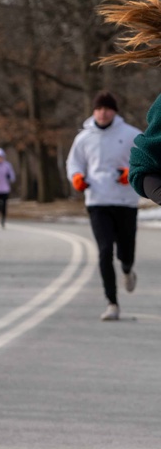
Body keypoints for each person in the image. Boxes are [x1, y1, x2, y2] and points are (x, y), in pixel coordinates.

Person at [66, 90, 141, 321]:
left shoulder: (131, 135)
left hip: (125, 201)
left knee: (125, 252)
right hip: (97, 200)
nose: (103, 113)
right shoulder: (84, 138)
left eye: (107, 109)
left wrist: (130, 173)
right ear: (94, 111)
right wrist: (77, 178)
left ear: (114, 111)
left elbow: (146, 161)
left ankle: (127, 269)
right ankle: (112, 303)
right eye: (99, 109)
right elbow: (74, 163)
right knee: (105, 250)